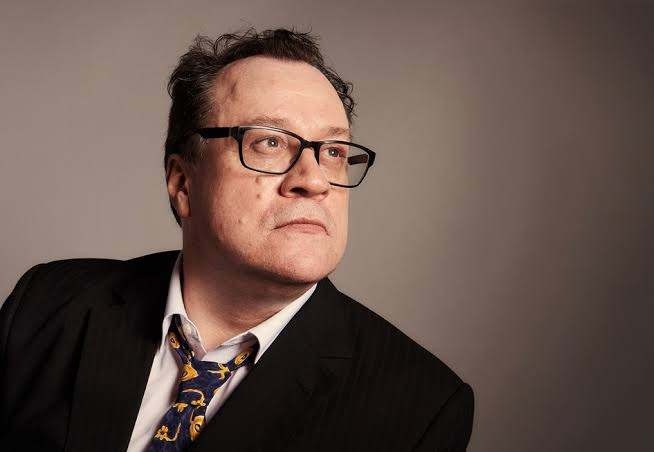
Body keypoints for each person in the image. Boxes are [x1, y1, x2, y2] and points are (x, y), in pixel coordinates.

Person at [0, 28, 474, 451]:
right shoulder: (47, 304)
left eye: (333, 151)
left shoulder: (421, 407)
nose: (314, 181)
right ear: (183, 183)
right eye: (270, 142)